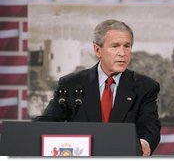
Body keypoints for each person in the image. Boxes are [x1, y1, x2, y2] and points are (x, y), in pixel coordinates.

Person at [34, 19, 161, 156]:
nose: (122, 53)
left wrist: (144, 143)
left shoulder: (145, 87)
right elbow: (47, 123)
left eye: (127, 46)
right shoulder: (70, 84)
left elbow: (150, 127)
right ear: (97, 50)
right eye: (115, 46)